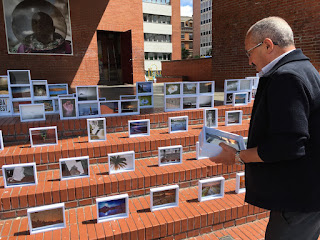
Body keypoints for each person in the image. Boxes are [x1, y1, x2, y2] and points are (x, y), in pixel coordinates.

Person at [211, 16, 320, 239]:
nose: (250, 61)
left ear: (268, 45)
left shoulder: (286, 77)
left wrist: (238, 156)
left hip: (298, 199)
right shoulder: (307, 69)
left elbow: (287, 146)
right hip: (309, 192)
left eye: (249, 52)